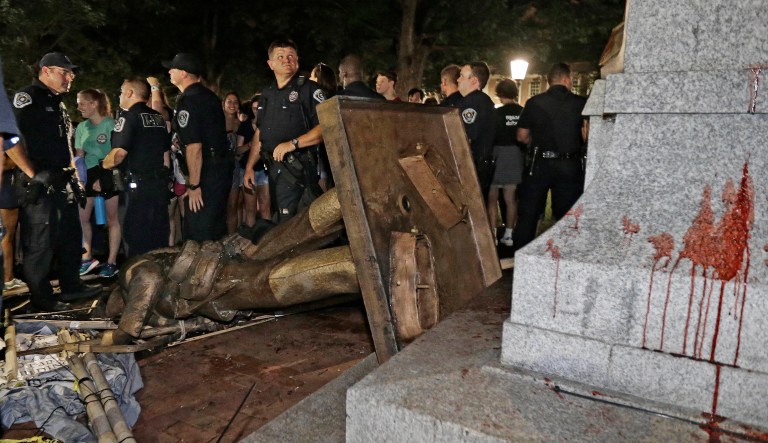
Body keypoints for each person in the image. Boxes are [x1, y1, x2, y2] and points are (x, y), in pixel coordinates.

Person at [12, 52, 101, 311]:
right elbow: (10, 140)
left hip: (62, 180)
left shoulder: (58, 102)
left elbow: (65, 145)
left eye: (71, 73)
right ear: (46, 70)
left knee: (69, 238)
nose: (69, 77)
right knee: (41, 243)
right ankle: (42, 299)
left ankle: (71, 287)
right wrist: (32, 174)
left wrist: (75, 177)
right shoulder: (27, 98)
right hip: (39, 182)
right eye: (65, 72)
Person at [243, 39, 325, 223]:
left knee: (297, 225)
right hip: (274, 170)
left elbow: (326, 127)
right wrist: (249, 167)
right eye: (280, 57)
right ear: (270, 64)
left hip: (299, 169)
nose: (286, 60)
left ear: (297, 60)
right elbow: (260, 133)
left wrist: (293, 144)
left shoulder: (309, 89)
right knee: (281, 221)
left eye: (290, 56)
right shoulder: (267, 94)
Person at [513, 62, 588, 252]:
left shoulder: (534, 102)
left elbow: (521, 136)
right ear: (566, 79)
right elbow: (587, 135)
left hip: (540, 163)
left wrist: (535, 143)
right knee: (567, 216)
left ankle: (522, 256)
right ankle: (562, 256)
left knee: (529, 214)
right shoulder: (580, 103)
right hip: (569, 164)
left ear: (549, 81)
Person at [163, 52, 232, 241]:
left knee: (199, 231)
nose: (169, 71)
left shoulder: (190, 100)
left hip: (206, 172)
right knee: (214, 227)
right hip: (217, 168)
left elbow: (195, 147)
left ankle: (202, 270)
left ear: (184, 73)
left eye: (173, 68)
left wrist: (194, 185)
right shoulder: (207, 95)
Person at [102, 78, 170, 257]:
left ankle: (138, 280)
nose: (119, 95)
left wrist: (104, 165)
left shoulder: (128, 117)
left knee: (135, 237)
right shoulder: (158, 118)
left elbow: (118, 155)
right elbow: (165, 154)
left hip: (136, 189)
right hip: (158, 185)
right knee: (157, 236)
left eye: (122, 91)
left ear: (130, 93)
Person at [75, 88, 120, 277]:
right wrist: (79, 179)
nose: (78, 107)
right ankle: (87, 258)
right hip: (88, 174)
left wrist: (103, 178)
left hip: (108, 172)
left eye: (82, 103)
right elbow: (78, 156)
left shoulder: (111, 124)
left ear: (94, 104)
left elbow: (117, 153)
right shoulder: (81, 127)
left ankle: (111, 262)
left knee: (112, 219)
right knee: (82, 217)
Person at [487, 79, 524, 247]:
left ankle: (493, 234)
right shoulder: (522, 112)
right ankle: (509, 234)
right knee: (510, 199)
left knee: (492, 198)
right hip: (515, 155)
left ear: (500, 94)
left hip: (497, 154)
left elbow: (490, 136)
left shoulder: (496, 114)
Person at [457, 61, 496, 209]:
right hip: (481, 164)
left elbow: (466, 137)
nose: (458, 79)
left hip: (471, 165)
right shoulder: (484, 101)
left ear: (473, 80)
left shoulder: (471, 102)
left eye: (462, 76)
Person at [310, 63, 337, 191]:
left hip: (323, 154)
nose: (309, 80)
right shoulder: (336, 97)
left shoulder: (318, 99)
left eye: (311, 76)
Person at [223, 91, 243, 234]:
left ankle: (231, 237)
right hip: (219, 167)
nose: (232, 104)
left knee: (233, 205)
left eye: (235, 102)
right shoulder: (216, 121)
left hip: (235, 168)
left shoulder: (242, 124)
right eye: (229, 101)